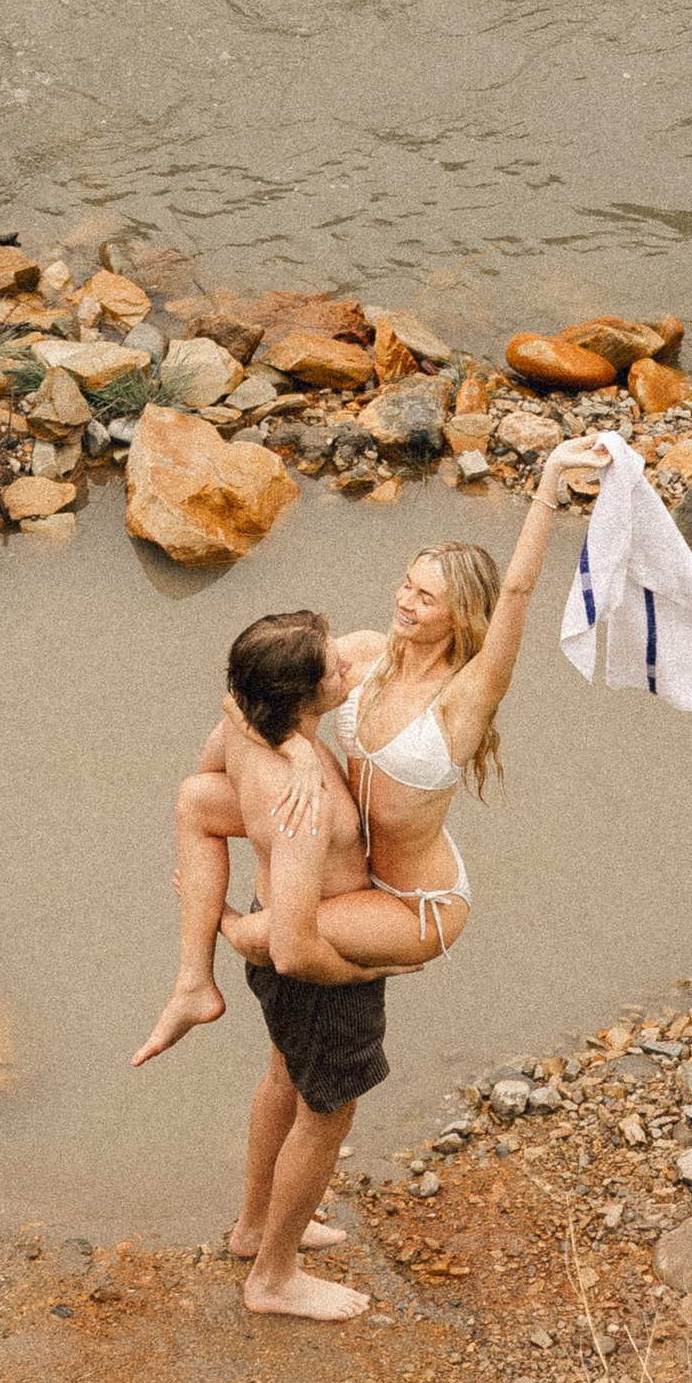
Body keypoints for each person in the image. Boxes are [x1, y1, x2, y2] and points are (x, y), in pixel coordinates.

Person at [133, 437, 605, 1062]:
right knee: (196, 798)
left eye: (426, 597)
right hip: (345, 855)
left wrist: (549, 479)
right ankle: (192, 981)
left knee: (264, 936)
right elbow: (245, 694)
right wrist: (296, 751)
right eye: (407, 585)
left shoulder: (463, 699)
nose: (406, 602)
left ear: (459, 616)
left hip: (410, 901)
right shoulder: (360, 655)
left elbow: (516, 593)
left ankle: (223, 933)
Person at [161, 608, 390, 1320]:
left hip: (281, 965)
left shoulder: (245, 727)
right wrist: (356, 972)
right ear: (298, 699)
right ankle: (274, 1278)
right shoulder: (304, 807)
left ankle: (255, 1227)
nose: (348, 669)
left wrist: (289, 745)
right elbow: (293, 947)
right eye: (334, 670)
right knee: (328, 1113)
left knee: (284, 1078)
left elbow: (202, 786)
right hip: (315, 974)